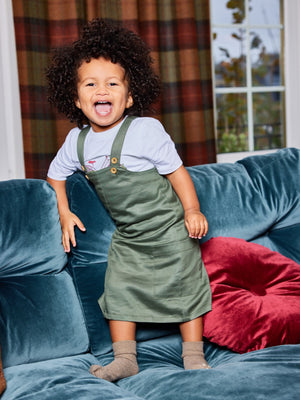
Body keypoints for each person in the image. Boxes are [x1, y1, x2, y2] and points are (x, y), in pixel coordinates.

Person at [46, 18, 212, 382]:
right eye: (90, 84)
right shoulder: (77, 142)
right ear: (76, 98)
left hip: (171, 230)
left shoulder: (145, 130)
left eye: (112, 83)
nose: (101, 90)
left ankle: (193, 353)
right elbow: (55, 176)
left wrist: (192, 209)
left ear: (130, 95)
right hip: (130, 237)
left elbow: (177, 173)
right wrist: (64, 213)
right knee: (118, 290)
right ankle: (125, 359)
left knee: (186, 285)